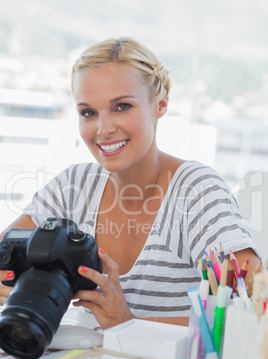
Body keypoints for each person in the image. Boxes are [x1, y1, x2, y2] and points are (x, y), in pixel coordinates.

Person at [0, 37, 260, 329]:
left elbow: (252, 313)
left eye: (122, 106)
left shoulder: (196, 191)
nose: (104, 129)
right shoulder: (74, 186)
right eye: (88, 112)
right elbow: (5, 251)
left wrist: (130, 323)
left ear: (160, 104)